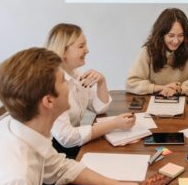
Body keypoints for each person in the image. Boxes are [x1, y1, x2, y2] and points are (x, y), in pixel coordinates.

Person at [0, 47, 142, 185]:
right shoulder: (17, 179)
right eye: (63, 81)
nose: (71, 84)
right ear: (49, 101)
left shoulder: (18, 126)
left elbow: (59, 167)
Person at [45, 23, 135, 159]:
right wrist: (114, 124)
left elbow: (99, 108)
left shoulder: (75, 74)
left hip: (74, 146)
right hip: (56, 154)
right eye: (81, 46)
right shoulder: (51, 84)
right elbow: (67, 138)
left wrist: (102, 81)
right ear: (63, 51)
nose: (87, 50)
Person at [126, 8, 188, 96]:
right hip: (155, 100)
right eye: (171, 35)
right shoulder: (148, 51)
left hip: (184, 102)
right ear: (161, 35)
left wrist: (179, 89)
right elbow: (131, 84)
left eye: (181, 35)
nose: (176, 41)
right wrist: (162, 88)